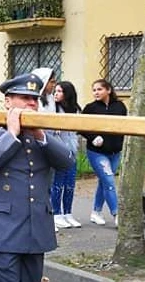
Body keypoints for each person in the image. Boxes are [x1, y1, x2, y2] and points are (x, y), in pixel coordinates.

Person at [0, 72, 75, 282]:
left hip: (34, 231)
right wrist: (11, 134)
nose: (31, 103)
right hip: (0, 233)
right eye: (25, 98)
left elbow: (67, 162)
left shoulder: (40, 133)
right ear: (8, 102)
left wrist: (40, 135)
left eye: (35, 99)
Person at [79, 78, 127, 226]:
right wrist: (93, 138)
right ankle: (117, 214)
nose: (96, 92)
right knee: (109, 181)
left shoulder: (120, 107)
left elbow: (124, 125)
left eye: (99, 89)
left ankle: (96, 212)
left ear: (108, 90)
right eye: (94, 90)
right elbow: (81, 127)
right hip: (97, 152)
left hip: (115, 152)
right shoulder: (90, 108)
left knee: (104, 182)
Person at [52, 81, 81, 229]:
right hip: (59, 151)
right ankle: (56, 213)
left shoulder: (75, 109)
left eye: (60, 91)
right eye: (55, 91)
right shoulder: (53, 109)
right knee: (57, 184)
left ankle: (68, 213)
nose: (56, 94)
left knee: (70, 184)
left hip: (72, 151)